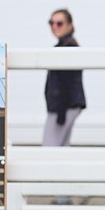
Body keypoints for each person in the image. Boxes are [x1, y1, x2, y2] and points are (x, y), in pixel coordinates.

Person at [43, 8, 86, 147]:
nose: (55, 26)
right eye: (52, 23)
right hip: (64, 107)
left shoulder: (69, 47)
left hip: (63, 108)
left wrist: (60, 114)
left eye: (59, 23)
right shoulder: (62, 46)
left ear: (70, 25)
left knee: (49, 150)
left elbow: (67, 84)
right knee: (61, 149)